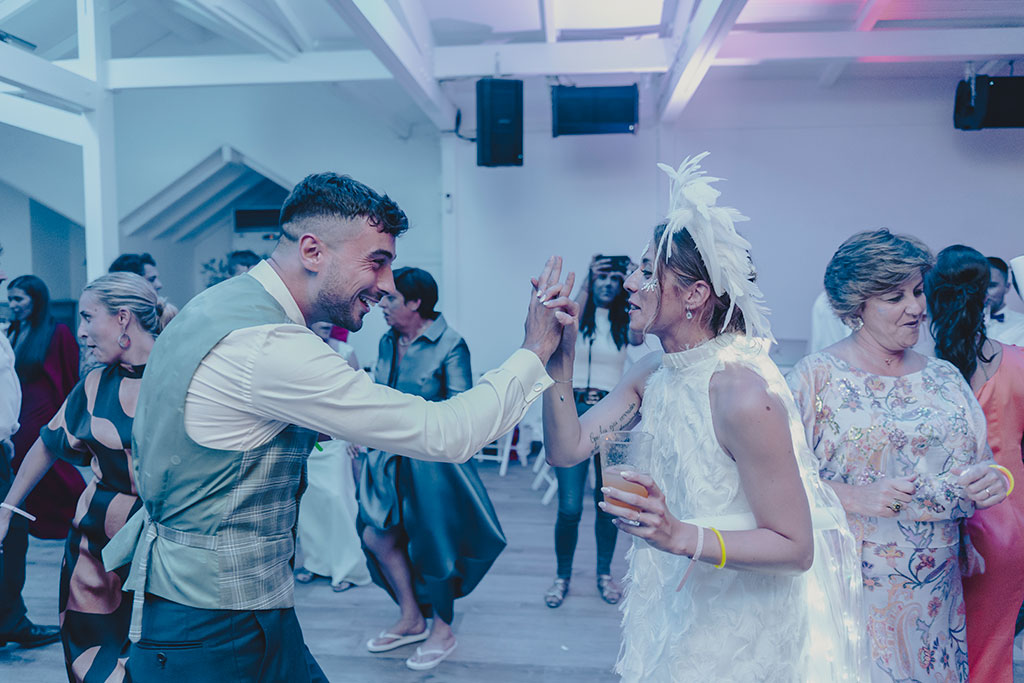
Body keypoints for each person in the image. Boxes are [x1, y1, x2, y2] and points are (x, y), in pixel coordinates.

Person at [101, 172, 573, 681]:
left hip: (231, 608)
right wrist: (535, 350)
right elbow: (448, 431)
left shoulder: (216, 307)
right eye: (378, 262)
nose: (388, 285)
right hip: (215, 627)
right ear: (312, 250)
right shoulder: (266, 344)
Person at [542, 154, 867, 681]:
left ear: (695, 295)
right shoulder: (654, 372)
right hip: (670, 598)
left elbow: (795, 547)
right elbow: (567, 448)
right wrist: (558, 359)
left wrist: (678, 536)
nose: (629, 282)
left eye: (648, 271)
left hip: (736, 621)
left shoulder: (739, 390)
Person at [787, 229, 1008, 682]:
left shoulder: (945, 378)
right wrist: (852, 496)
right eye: (895, 296)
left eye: (918, 290)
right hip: (850, 587)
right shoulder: (815, 379)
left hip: (936, 591)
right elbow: (774, 483)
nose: (917, 307)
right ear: (855, 306)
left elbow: (983, 459)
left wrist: (995, 479)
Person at [0, 272, 168, 681]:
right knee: (91, 662)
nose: (81, 332)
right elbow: (47, 442)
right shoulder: (94, 384)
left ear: (123, 318)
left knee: (161, 660)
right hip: (92, 555)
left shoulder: (180, 380)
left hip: (166, 552)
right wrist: (7, 507)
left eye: (88, 318)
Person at [358, 267, 505, 671]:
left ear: (415, 302)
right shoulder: (388, 341)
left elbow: (461, 409)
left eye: (389, 299)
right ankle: (411, 616)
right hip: (389, 459)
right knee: (377, 536)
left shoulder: (451, 344)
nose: (381, 306)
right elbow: (378, 395)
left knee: (434, 549)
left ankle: (442, 628)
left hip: (435, 467)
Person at [926, 245, 1024, 683]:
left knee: (930, 647)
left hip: (930, 527)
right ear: (987, 294)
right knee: (991, 651)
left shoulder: (921, 374)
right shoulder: (1019, 364)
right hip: (1006, 525)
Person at [544, 254, 640, 608]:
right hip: (574, 411)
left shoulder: (626, 322)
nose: (606, 284)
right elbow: (564, 317)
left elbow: (642, 333)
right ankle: (562, 576)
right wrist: (588, 273)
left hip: (612, 416)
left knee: (609, 505)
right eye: (601, 277)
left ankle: (604, 574)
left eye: (614, 279)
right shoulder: (578, 318)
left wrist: (636, 276)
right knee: (569, 508)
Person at [0, 248, 61, 650]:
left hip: (10, 439)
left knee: (15, 532)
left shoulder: (37, 331)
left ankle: (10, 617)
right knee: (12, 532)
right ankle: (11, 622)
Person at [293, 321, 370, 593]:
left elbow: (360, 398)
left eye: (329, 321)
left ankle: (349, 567)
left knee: (339, 502)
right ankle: (317, 564)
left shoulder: (345, 352)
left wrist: (355, 437)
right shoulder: (294, 351)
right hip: (305, 442)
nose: (325, 324)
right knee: (311, 507)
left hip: (336, 441)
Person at [6, 275, 85, 539]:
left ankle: (75, 512)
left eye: (19, 298)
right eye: (10, 299)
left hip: (44, 407)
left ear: (36, 299)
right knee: (21, 462)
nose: (13, 304)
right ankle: (34, 520)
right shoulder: (14, 330)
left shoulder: (57, 331)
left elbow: (69, 375)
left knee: (49, 465)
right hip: (20, 406)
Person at [985, 256, 1024, 345]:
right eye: (979, 286)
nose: (984, 292)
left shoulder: (1022, 324)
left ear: (1007, 287)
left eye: (992, 285)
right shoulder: (959, 324)